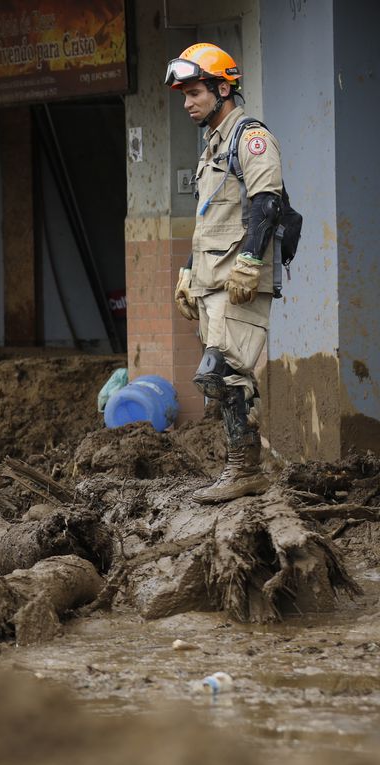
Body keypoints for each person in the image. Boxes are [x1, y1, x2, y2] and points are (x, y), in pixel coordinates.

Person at [165, 43, 284, 503]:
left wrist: (251, 262)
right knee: (221, 380)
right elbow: (211, 217)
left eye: (194, 92)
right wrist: (189, 274)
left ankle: (244, 471)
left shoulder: (250, 138)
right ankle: (239, 467)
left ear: (221, 88)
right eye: (184, 95)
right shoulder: (213, 145)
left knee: (225, 372)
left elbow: (266, 203)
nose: (188, 103)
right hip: (214, 282)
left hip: (240, 283)